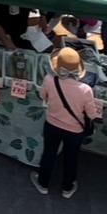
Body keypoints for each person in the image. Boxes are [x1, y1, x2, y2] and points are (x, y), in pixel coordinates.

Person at [31, 46, 102, 199]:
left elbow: (43, 96)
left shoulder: (50, 80)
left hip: (52, 124)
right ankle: (67, 188)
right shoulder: (85, 90)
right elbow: (91, 114)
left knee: (49, 153)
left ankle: (43, 183)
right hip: (74, 131)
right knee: (71, 158)